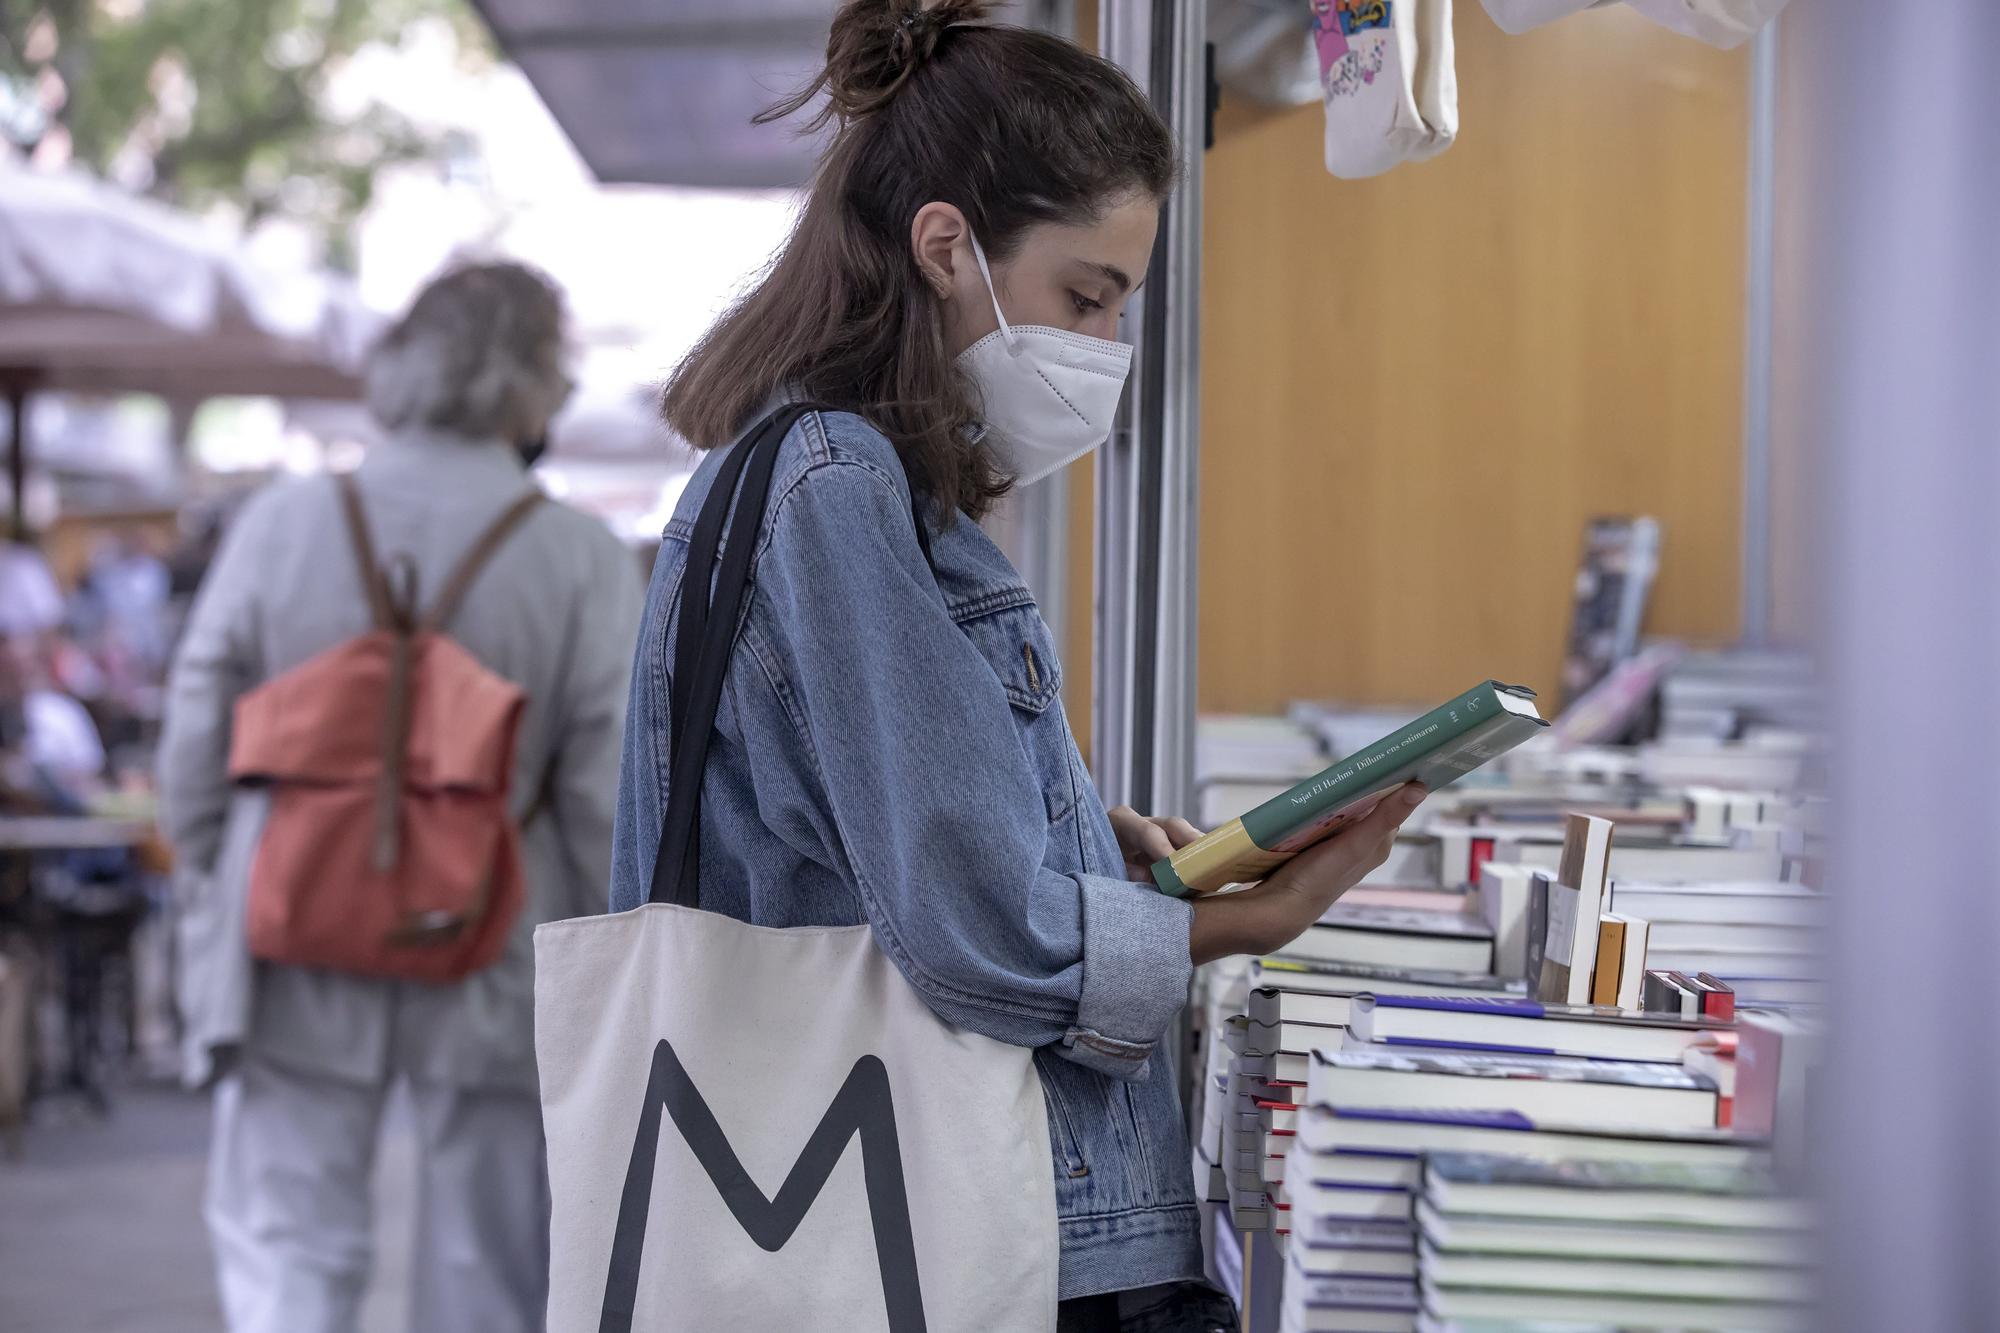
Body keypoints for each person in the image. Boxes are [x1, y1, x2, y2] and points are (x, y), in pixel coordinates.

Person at [610, 4, 1428, 1328]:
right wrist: (1238, 922)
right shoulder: (836, 483)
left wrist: (1078, 838)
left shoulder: (852, 478)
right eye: (1084, 297)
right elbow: (974, 925)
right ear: (947, 247)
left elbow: (868, 832)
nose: (1103, 350)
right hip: (937, 1222)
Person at [158, 262, 645, 1333]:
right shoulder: (577, 554)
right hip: (491, 926)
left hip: (294, 914)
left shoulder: (283, 522)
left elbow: (197, 721)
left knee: (287, 1238)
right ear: (534, 383)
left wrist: (214, 867)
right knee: (489, 1255)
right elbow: (603, 790)